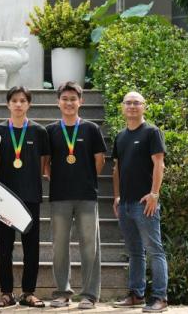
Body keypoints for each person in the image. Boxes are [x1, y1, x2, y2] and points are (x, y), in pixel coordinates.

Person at [44, 81, 106, 309]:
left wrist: (86, 178)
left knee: (90, 246)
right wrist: (57, 178)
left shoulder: (91, 129)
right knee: (59, 247)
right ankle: (62, 292)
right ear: (58, 102)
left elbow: (99, 160)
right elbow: (45, 163)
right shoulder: (50, 131)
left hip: (86, 195)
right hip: (59, 196)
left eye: (73, 99)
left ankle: (89, 295)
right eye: (65, 99)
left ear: (81, 101)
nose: (69, 103)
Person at [0, 86, 50, 308]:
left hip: (31, 196)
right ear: (8, 104)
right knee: (4, 248)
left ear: (28, 104)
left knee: (31, 247)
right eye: (14, 100)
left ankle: (28, 293)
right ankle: (6, 293)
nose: (18, 104)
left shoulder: (39, 131)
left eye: (22, 100)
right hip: (4, 198)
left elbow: (44, 163)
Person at [112, 91, 168, 313]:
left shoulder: (152, 132)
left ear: (144, 106)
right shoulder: (120, 136)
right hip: (125, 204)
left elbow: (159, 164)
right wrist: (117, 196)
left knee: (155, 250)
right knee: (135, 251)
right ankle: (136, 294)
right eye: (128, 103)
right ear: (123, 107)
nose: (132, 106)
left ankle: (160, 297)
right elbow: (117, 169)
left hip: (145, 203)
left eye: (136, 103)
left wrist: (154, 194)